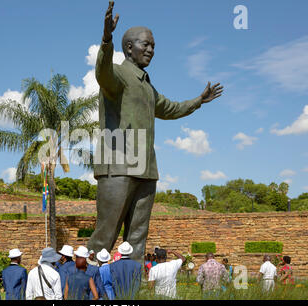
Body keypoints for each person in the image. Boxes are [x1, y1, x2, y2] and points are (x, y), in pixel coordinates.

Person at [87, 1, 223, 265]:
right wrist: (106, 39)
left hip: (146, 170)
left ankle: (130, 290)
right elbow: (102, 73)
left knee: (137, 239)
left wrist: (199, 100)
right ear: (128, 48)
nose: (150, 50)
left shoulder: (148, 88)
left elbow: (171, 108)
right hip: (118, 167)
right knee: (105, 235)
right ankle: (82, 290)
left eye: (153, 46)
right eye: (145, 44)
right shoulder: (117, 76)